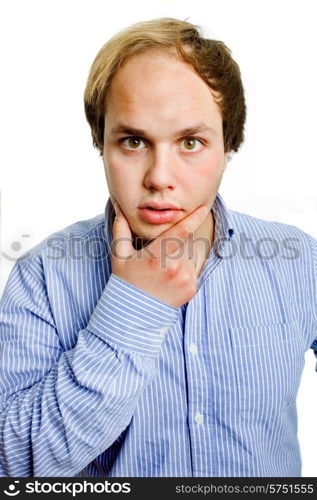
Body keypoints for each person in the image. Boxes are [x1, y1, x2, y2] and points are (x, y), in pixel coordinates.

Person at [0, 17, 316, 478]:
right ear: (100, 143)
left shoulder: (301, 260)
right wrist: (134, 307)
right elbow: (14, 467)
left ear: (229, 144)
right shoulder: (42, 276)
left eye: (191, 142)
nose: (159, 177)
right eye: (133, 141)